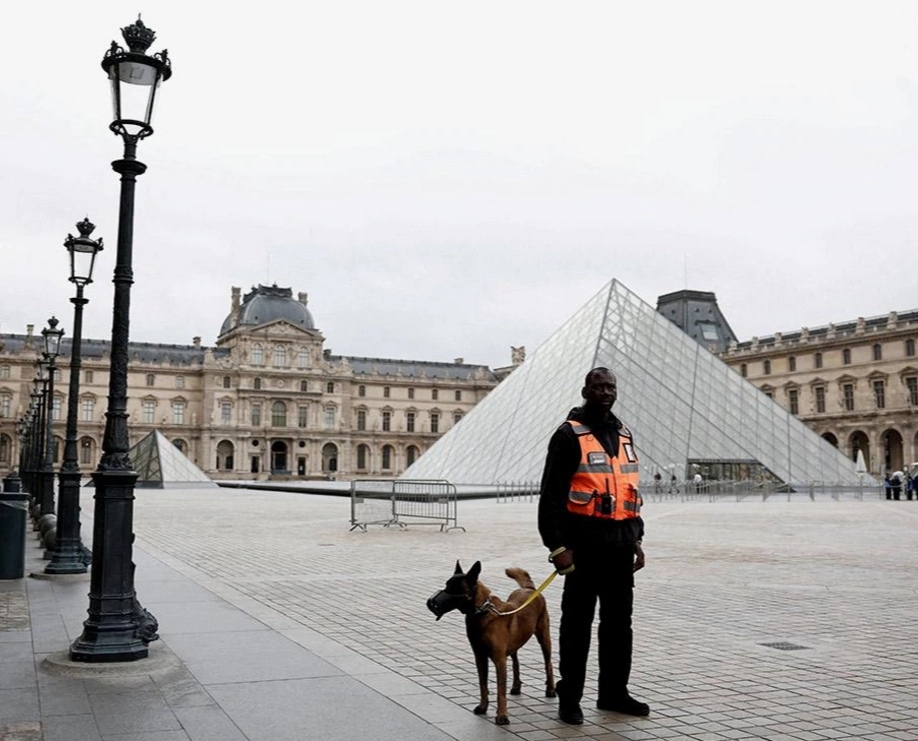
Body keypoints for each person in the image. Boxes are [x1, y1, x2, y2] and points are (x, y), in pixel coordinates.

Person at [538, 367, 649, 725]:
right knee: (577, 625)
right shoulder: (568, 435)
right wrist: (557, 547)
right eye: (598, 386)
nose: (605, 392)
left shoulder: (624, 433)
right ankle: (570, 697)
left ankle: (614, 692)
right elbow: (551, 496)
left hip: (619, 546)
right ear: (585, 390)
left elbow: (629, 490)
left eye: (610, 387)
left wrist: (638, 539)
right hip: (583, 548)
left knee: (619, 625)